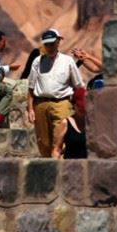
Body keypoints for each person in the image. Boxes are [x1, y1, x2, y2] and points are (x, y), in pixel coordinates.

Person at [27, 28, 85, 158]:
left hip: (61, 104)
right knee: (43, 142)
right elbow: (31, 88)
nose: (49, 47)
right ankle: (49, 171)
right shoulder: (37, 62)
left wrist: (80, 107)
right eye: (46, 44)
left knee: (60, 141)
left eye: (52, 44)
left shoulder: (68, 61)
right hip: (41, 105)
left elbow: (79, 86)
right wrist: (30, 108)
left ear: (58, 42)